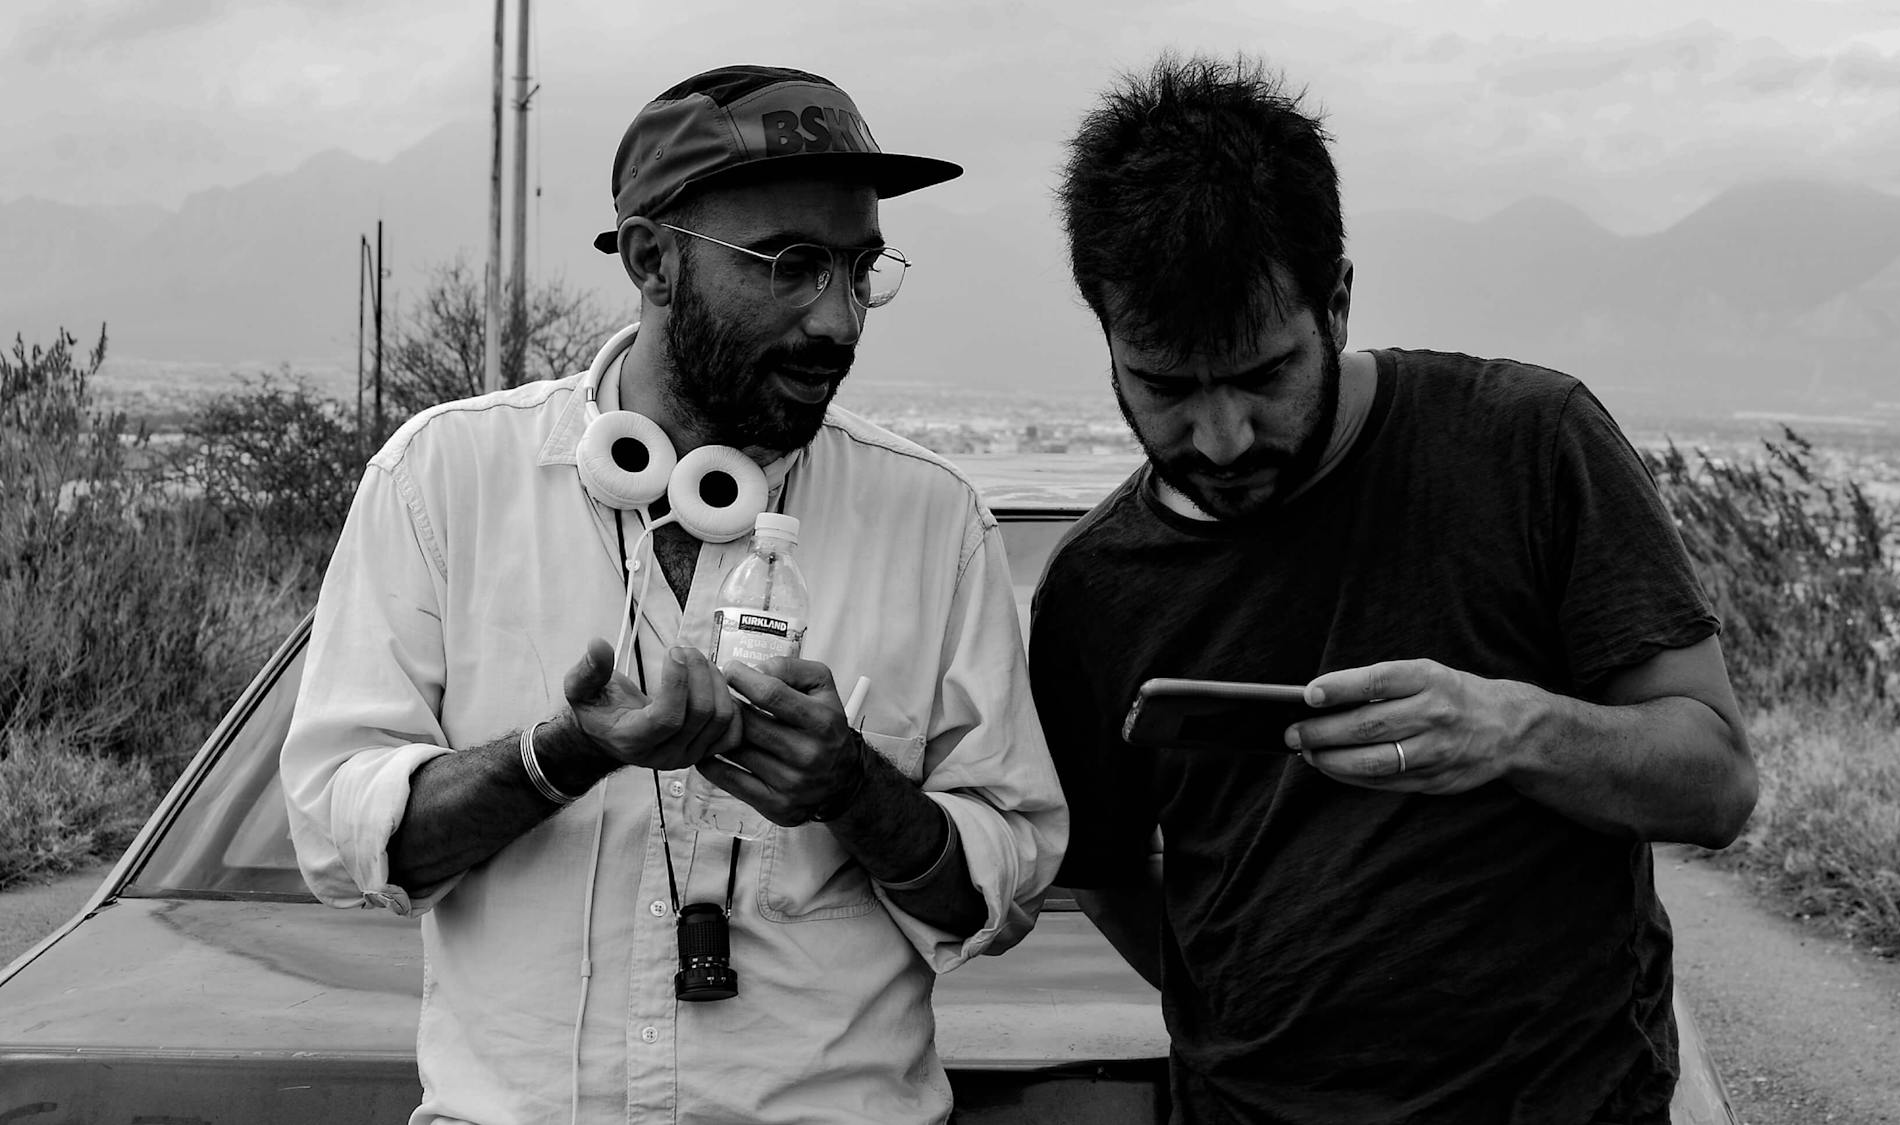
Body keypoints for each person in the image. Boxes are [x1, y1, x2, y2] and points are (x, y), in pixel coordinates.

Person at [282, 64, 1065, 1125]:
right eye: (791, 265)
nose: (837, 319)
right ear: (652, 260)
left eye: (859, 268)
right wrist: (562, 755)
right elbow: (341, 838)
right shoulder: (444, 480)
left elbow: (1002, 887)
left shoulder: (933, 523)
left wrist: (853, 792)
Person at [1031, 54, 1759, 1125]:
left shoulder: (1527, 444)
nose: (1221, 437)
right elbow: (1102, 872)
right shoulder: (1095, 587)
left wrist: (1510, 728)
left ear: (1335, 304)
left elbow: (1715, 784)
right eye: (1164, 387)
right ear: (1103, 333)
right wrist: (1248, 1016)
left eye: (1261, 375)